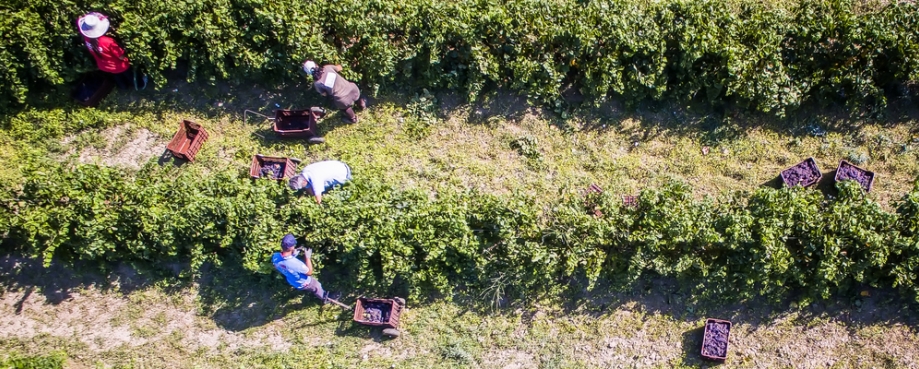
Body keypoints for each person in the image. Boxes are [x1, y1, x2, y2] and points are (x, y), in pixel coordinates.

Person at [77, 12, 147, 90]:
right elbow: (121, 56)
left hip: (104, 66)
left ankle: (124, 87)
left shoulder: (87, 39)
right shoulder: (108, 42)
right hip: (119, 65)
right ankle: (140, 85)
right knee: (129, 75)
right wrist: (128, 56)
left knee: (118, 76)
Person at [271, 234, 334, 302]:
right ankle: (326, 299)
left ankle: (320, 295)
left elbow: (277, 265)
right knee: (317, 286)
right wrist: (307, 257)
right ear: (291, 247)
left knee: (313, 287)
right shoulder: (295, 263)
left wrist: (292, 255)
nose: (295, 246)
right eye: (294, 245)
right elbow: (309, 272)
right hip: (305, 282)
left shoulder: (276, 256)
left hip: (293, 281)